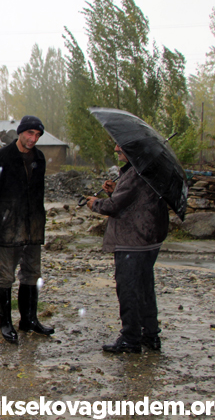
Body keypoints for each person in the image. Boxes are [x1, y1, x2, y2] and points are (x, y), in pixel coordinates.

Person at [86, 144, 169, 353]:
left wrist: (95, 203)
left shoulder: (135, 173)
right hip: (149, 239)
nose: (115, 148)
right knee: (144, 287)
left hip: (133, 240)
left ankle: (130, 338)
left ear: (134, 149)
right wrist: (116, 190)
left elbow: (114, 207)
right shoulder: (146, 169)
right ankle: (150, 334)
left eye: (120, 146)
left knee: (129, 289)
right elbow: (136, 198)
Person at [0, 115, 54, 344]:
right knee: (5, 276)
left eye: (37, 135)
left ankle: (28, 320)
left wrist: (38, 218)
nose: (33, 139)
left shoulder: (39, 158)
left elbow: (38, 193)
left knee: (32, 273)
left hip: (33, 226)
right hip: (8, 227)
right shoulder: (2, 157)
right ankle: (5, 323)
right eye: (30, 133)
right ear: (20, 132)